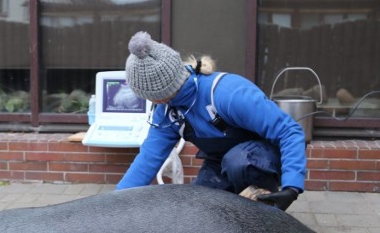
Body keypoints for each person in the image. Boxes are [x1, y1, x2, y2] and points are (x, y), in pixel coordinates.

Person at [116, 31, 307, 211]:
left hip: (261, 159)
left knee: (239, 162)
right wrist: (113, 204)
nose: (148, 100)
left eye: (149, 96)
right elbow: (148, 159)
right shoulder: (167, 112)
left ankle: (264, 215)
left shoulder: (229, 94)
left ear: (161, 91)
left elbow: (289, 131)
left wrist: (292, 187)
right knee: (199, 208)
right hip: (220, 161)